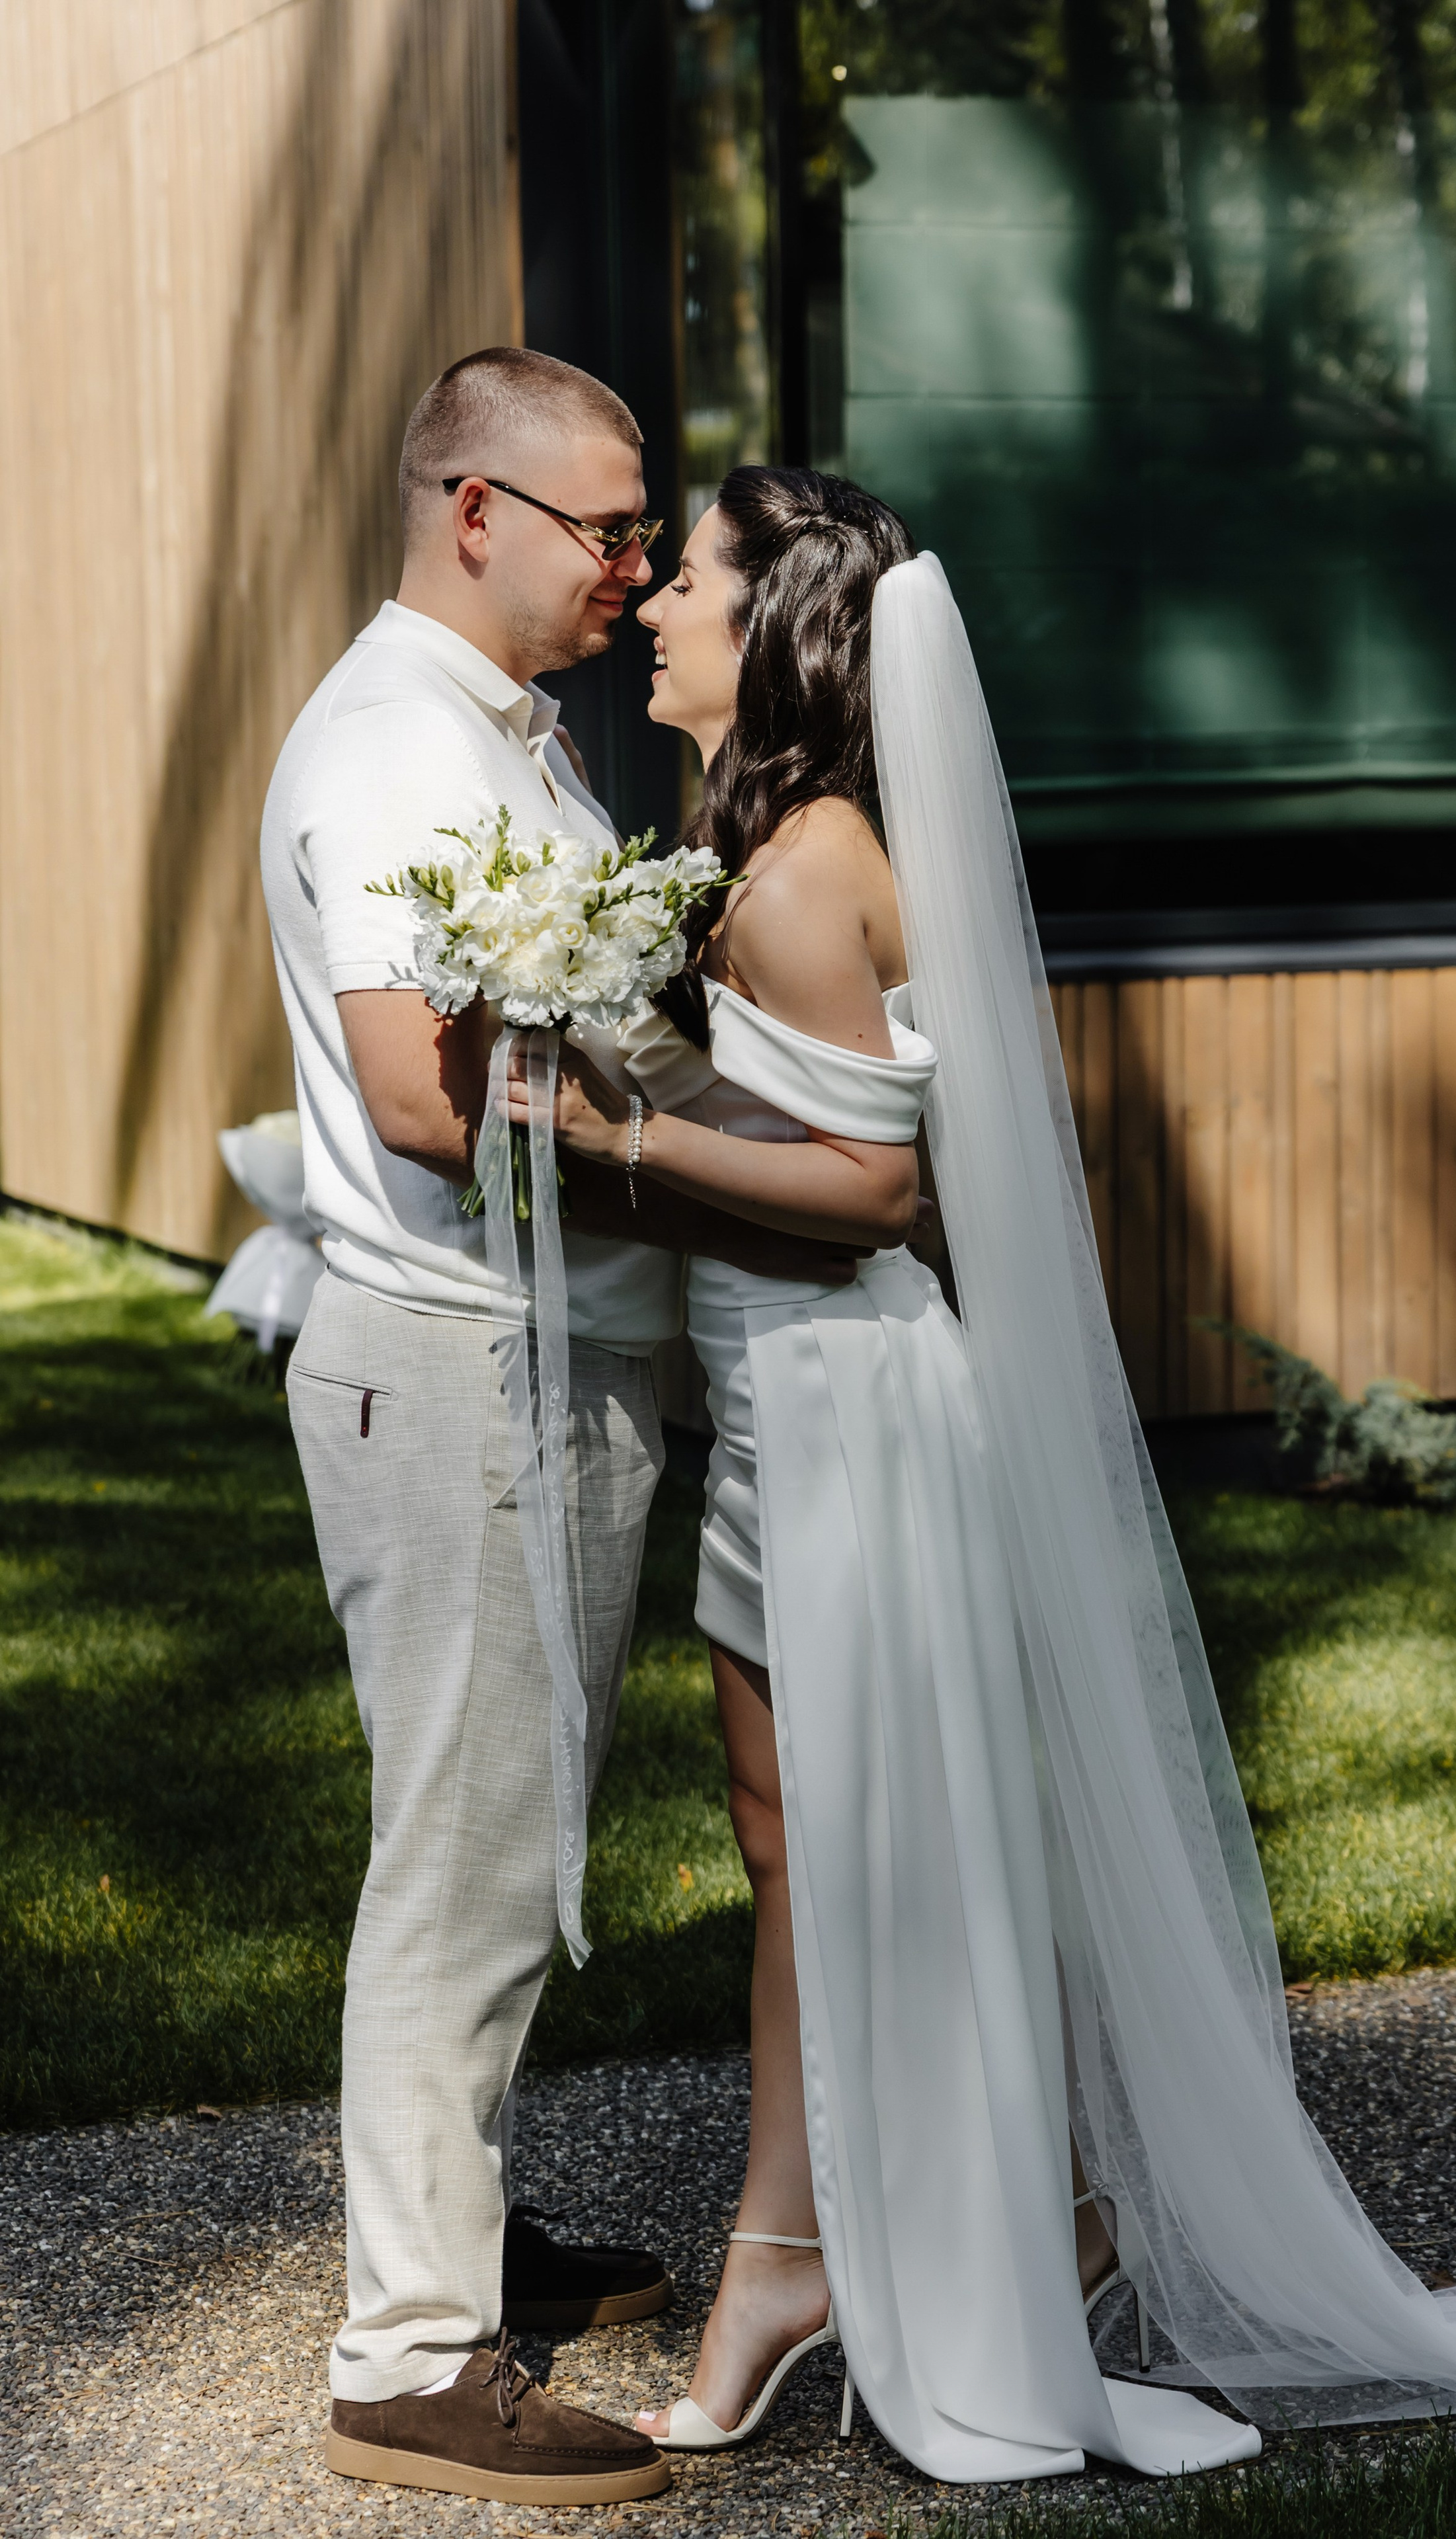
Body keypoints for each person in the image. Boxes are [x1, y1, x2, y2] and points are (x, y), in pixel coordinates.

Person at [508, 463, 1456, 2484]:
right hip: (794, 1402)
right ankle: (1007, 2215)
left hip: (848, 1414)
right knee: (818, 1851)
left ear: (774, 622)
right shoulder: (779, 847)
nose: (650, 609)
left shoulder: (801, 871)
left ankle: (797, 2264)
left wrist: (603, 1138)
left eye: (687, 578)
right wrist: (636, 1056)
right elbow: (826, 1126)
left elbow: (881, 1190)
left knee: (861, 1856)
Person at [260, 353, 866, 2512]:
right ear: (470, 507)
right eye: (606, 529)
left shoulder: (504, 729)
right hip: (459, 1370)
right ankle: (414, 2360)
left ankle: (467, 2235)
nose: (632, 568)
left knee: (504, 1830)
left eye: (641, 537)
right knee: (471, 1855)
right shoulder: (391, 746)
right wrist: (742, 1185)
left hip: (534, 1362)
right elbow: (431, 1107)